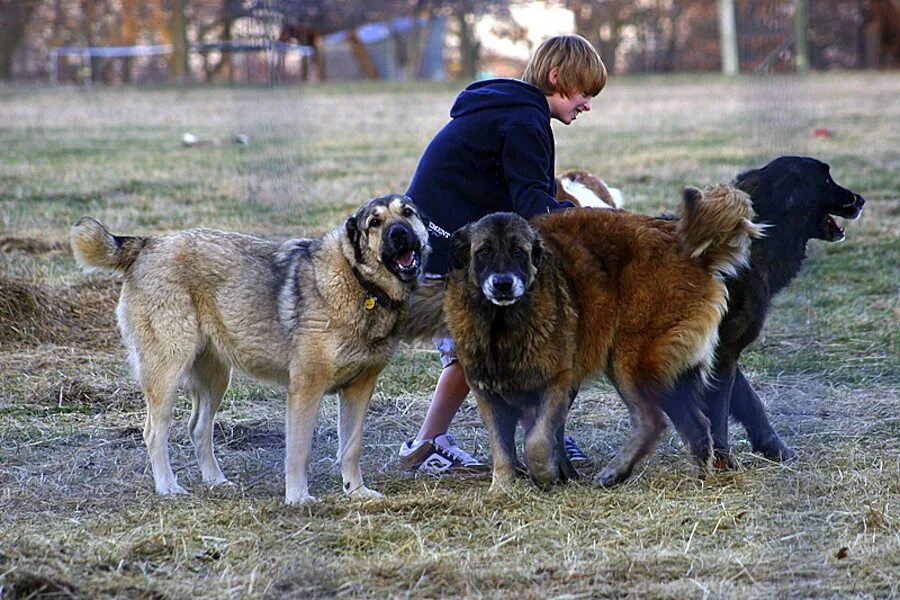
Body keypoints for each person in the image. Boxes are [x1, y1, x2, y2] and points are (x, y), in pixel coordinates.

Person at [399, 34, 608, 475]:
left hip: (435, 239)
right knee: (473, 346)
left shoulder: (511, 109)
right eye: (584, 92)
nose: (587, 104)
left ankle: (537, 430)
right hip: (443, 250)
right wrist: (586, 219)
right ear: (557, 77)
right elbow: (533, 205)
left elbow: (521, 200)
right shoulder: (526, 122)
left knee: (493, 339)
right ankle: (429, 442)